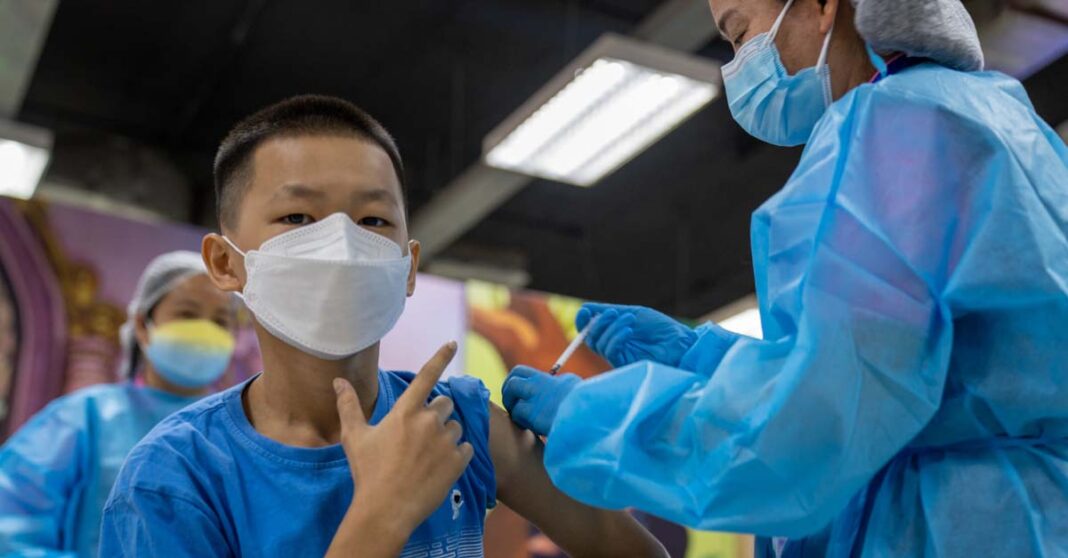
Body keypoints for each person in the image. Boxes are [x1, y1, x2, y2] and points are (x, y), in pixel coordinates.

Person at [501, 0, 1068, 556]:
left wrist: (592, 419)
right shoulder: (994, 114)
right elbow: (901, 370)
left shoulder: (893, 130)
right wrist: (703, 356)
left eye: (740, 32)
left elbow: (812, 428)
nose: (738, 66)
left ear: (823, 7)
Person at [98, 95, 667, 558]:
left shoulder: (457, 421)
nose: (343, 245)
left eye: (373, 220)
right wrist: (380, 516)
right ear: (226, 262)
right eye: (298, 217)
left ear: (408, 266)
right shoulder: (175, 480)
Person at [0, 251, 238, 557]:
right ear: (142, 324)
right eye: (187, 314)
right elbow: (11, 522)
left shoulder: (240, 433)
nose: (206, 331)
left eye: (220, 321)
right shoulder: (85, 418)